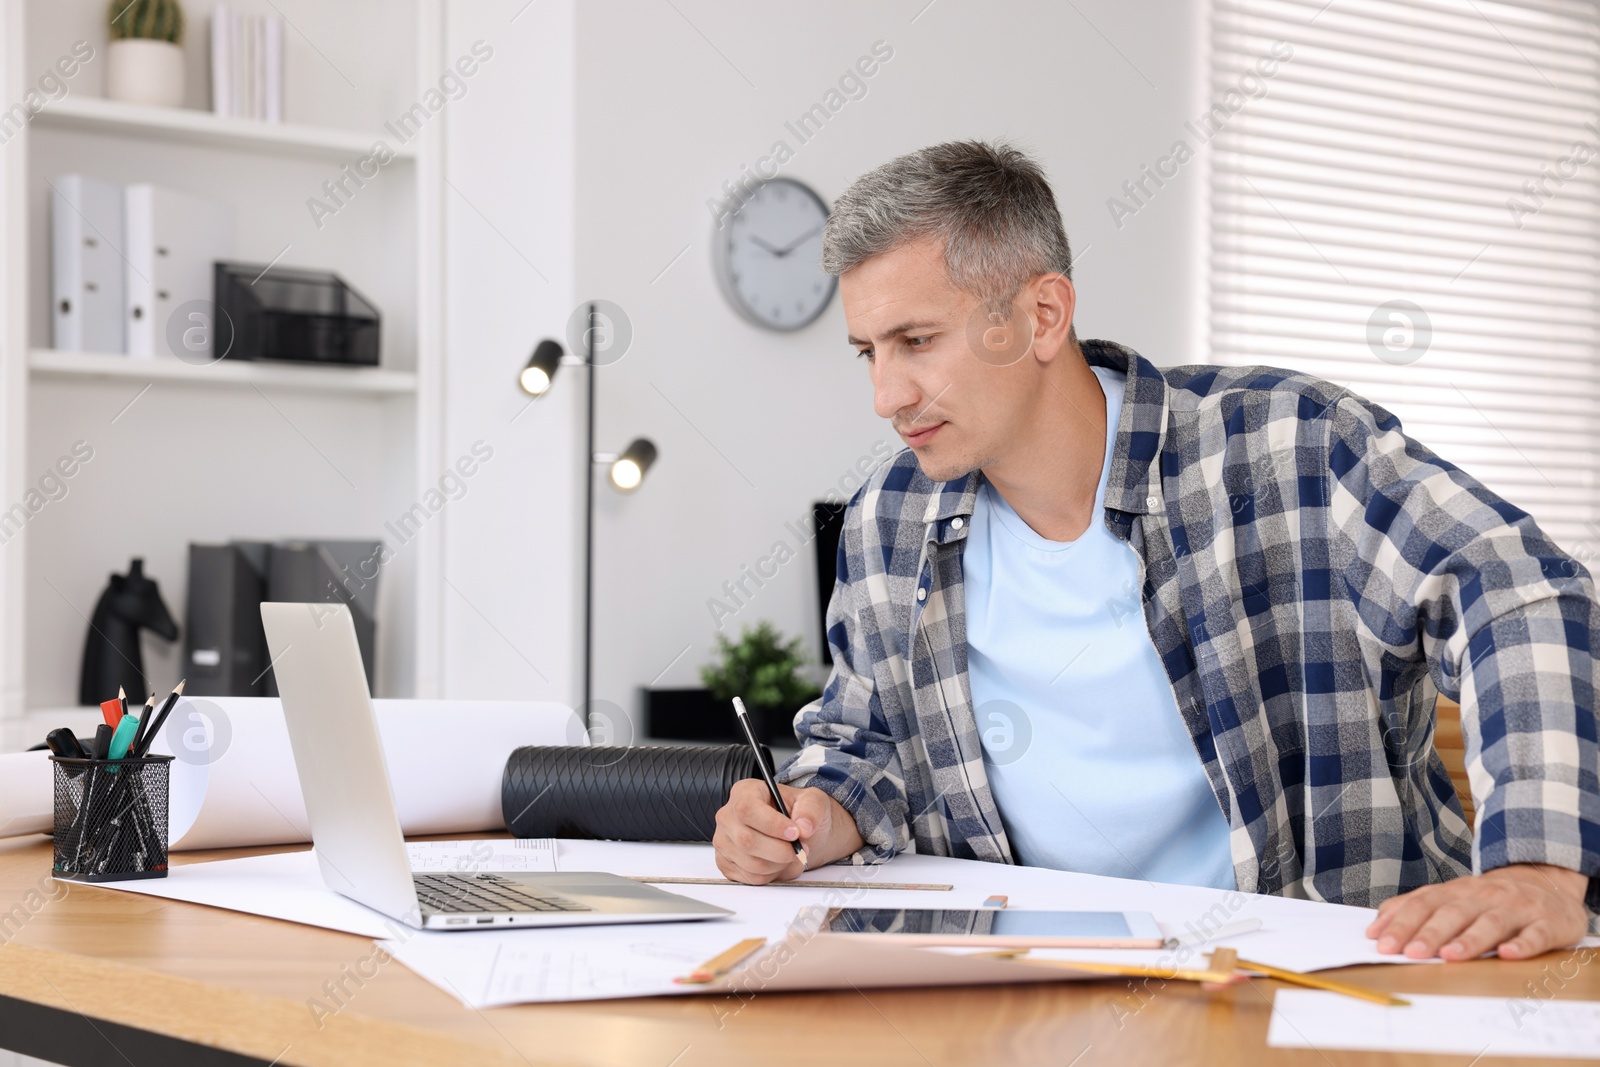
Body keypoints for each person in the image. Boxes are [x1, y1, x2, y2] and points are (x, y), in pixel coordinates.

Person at [712, 141, 1598, 962]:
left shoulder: (1291, 448)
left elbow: (1519, 590)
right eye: (868, 351)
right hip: (1031, 985)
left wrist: (1540, 863)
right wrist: (815, 813)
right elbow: (866, 741)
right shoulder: (887, 521)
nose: (885, 394)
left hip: (1321, 976)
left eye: (916, 341)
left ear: (1042, 315)